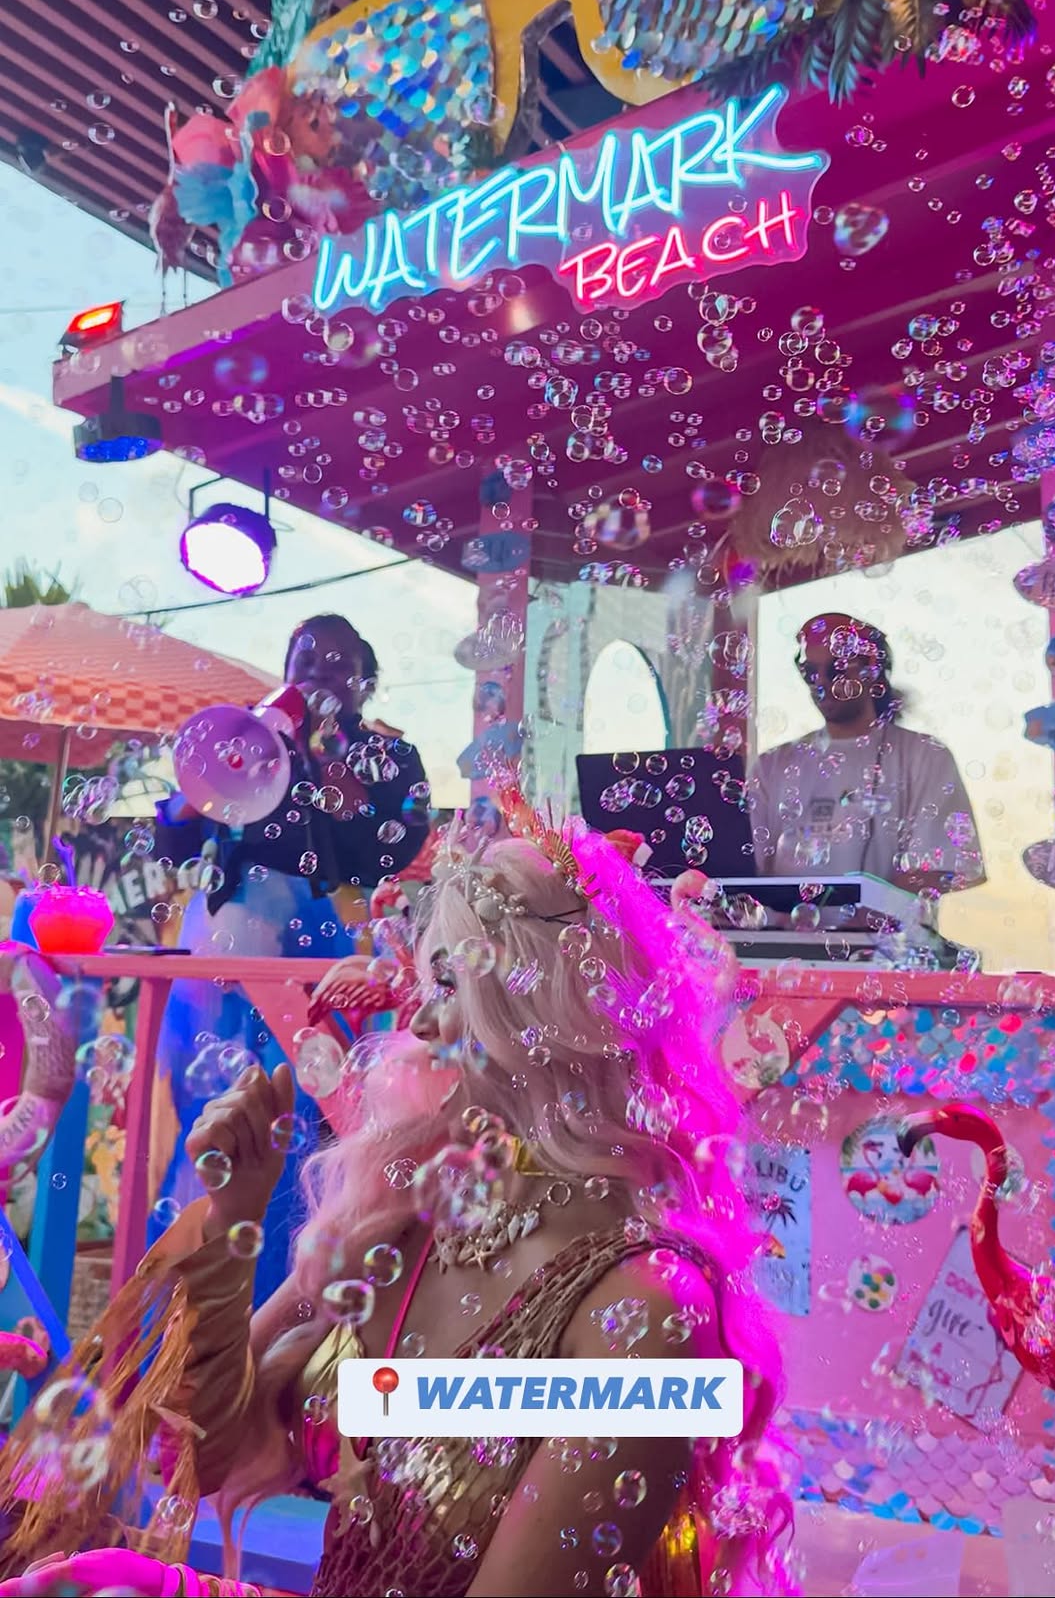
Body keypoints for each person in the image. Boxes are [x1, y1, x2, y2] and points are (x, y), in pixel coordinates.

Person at [0, 812, 796, 1598]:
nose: (416, 1020)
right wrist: (236, 1220)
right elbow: (201, 1457)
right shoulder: (410, 1219)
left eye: (447, 983)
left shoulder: (649, 1309)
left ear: (540, 1011)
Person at [150, 614, 429, 1301]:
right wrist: (210, 777)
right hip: (230, 953)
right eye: (305, 662)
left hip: (328, 957)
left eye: (338, 666)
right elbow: (172, 840)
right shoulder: (243, 733)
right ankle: (186, 1299)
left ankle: (283, 1294)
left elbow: (386, 851)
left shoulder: (388, 757)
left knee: (307, 1122)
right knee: (212, 1116)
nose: (318, 676)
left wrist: (337, 774)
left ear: (365, 683)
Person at [748, 613, 984, 901]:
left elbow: (944, 866)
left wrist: (870, 912)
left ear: (871, 668)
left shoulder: (925, 755)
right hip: (779, 931)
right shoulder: (772, 764)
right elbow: (750, 867)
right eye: (809, 673)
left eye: (835, 669)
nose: (821, 683)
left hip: (887, 931)